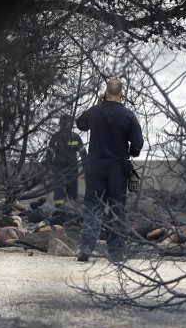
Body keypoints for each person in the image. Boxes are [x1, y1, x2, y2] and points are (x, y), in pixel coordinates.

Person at [75, 79, 144, 262]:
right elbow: (138, 144)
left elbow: (80, 124)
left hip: (95, 166)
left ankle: (87, 247)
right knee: (116, 209)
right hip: (117, 169)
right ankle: (116, 252)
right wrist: (129, 153)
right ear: (122, 94)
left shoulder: (95, 112)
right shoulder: (129, 115)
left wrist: (97, 105)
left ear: (105, 93)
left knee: (93, 206)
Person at [44, 115, 87, 207]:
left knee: (72, 189)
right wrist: (47, 163)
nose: (65, 125)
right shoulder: (56, 137)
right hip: (59, 167)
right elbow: (50, 151)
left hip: (72, 167)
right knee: (59, 189)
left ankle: (72, 208)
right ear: (60, 124)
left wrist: (86, 168)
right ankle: (59, 209)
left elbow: (83, 153)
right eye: (63, 123)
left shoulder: (76, 137)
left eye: (67, 123)